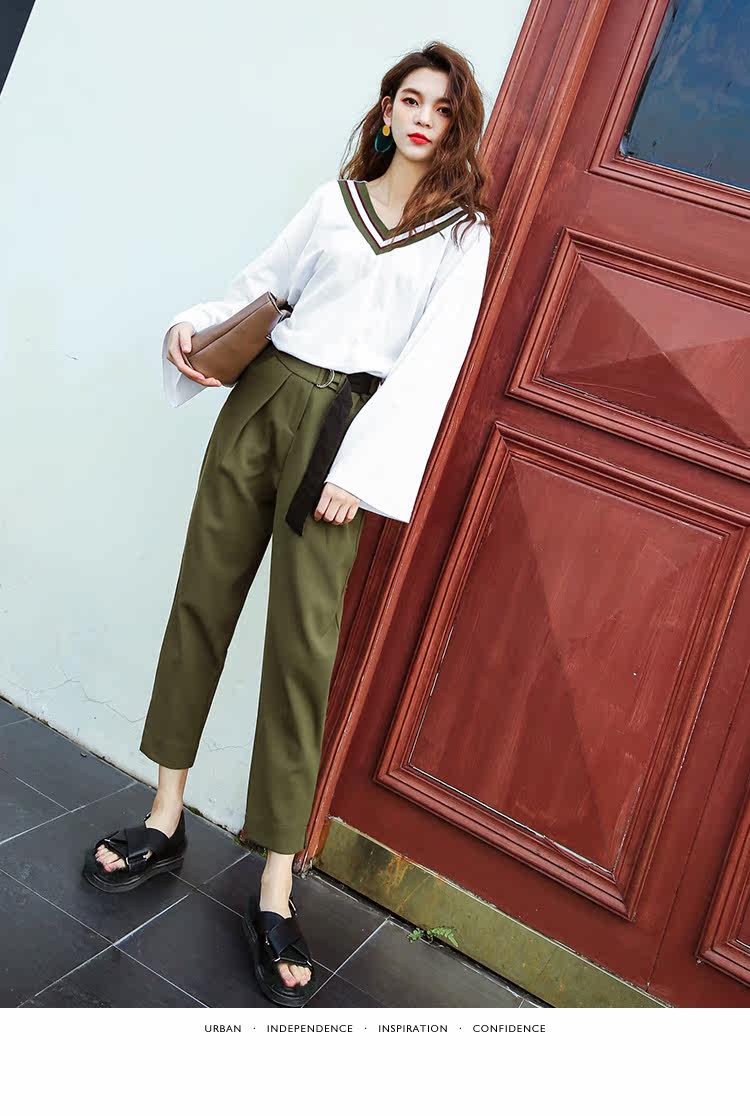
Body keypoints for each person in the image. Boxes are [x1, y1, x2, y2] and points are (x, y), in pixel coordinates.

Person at [81, 39, 494, 1007]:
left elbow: (431, 369)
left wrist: (361, 470)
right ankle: (166, 814)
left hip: (344, 432)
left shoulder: (463, 237)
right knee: (202, 601)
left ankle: (274, 880)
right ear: (387, 110)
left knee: (302, 652)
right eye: (410, 99)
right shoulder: (335, 201)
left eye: (441, 107)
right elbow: (261, 286)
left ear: (456, 125)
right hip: (263, 401)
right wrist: (190, 328)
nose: (423, 118)